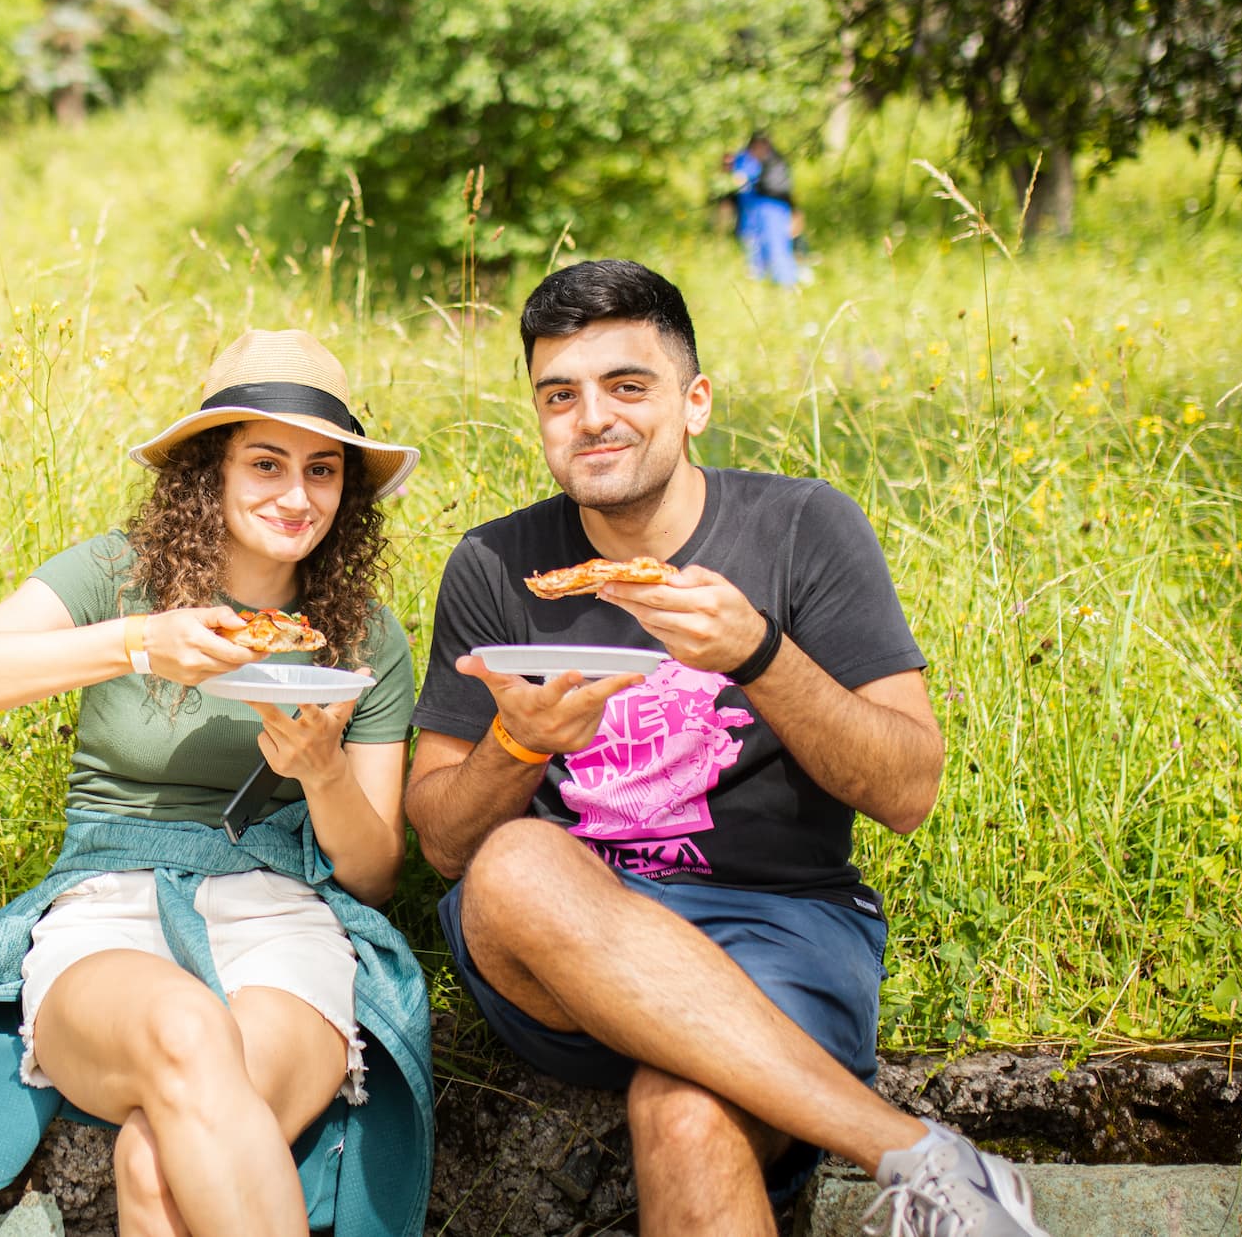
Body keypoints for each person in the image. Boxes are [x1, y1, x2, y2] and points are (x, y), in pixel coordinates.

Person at [406, 260, 1051, 1237]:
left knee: (685, 1116)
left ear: (693, 401)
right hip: (560, 948)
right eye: (558, 394)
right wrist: (514, 742)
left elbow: (908, 787)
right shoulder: (497, 563)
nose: (591, 417)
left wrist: (757, 651)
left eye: (627, 386)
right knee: (513, 859)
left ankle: (920, 1162)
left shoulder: (800, 529)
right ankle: (910, 1150)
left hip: (776, 931)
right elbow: (443, 844)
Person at [0, 330, 433, 1237]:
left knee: (152, 1161)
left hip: (283, 917)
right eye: (265, 462)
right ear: (207, 470)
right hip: (106, 908)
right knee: (184, 1030)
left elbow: (374, 874)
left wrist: (325, 772)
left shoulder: (364, 634)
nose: (297, 496)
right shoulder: (118, 576)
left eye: (323, 470)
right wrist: (140, 642)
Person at [725, 132, 803, 287]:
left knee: (777, 252)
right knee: (756, 254)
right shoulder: (747, 161)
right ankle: (763, 283)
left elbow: (781, 190)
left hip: (772, 213)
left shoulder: (774, 163)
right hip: (756, 215)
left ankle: (785, 285)